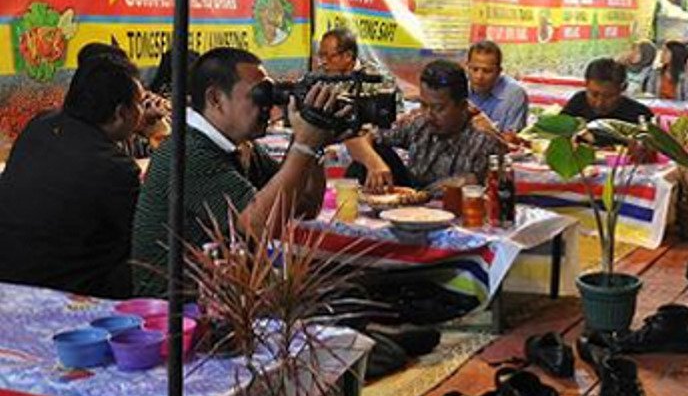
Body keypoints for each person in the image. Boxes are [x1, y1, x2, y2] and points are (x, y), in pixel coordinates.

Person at [131, 47, 345, 296]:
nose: (268, 107)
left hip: (225, 295)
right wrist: (304, 145)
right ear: (215, 99)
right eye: (260, 95)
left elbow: (303, 207)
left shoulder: (242, 147)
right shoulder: (187, 152)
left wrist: (313, 145)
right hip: (176, 311)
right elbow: (260, 226)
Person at [0, 54, 144, 297]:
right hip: (65, 292)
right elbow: (142, 237)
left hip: (7, 275)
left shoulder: (39, 126)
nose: (142, 111)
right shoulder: (116, 169)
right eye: (139, 104)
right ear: (120, 113)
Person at [347, 60, 502, 193]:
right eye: (423, 104)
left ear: (462, 105)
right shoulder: (419, 122)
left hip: (454, 212)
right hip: (410, 202)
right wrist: (374, 163)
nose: (428, 114)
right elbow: (356, 137)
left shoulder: (483, 139)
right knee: (369, 157)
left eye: (438, 108)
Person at [463, 41, 529, 135]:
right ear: (467, 67)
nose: (479, 76)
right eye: (474, 69)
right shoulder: (458, 88)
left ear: (499, 71)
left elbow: (514, 141)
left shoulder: (514, 95)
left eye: (487, 71)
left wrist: (489, 130)